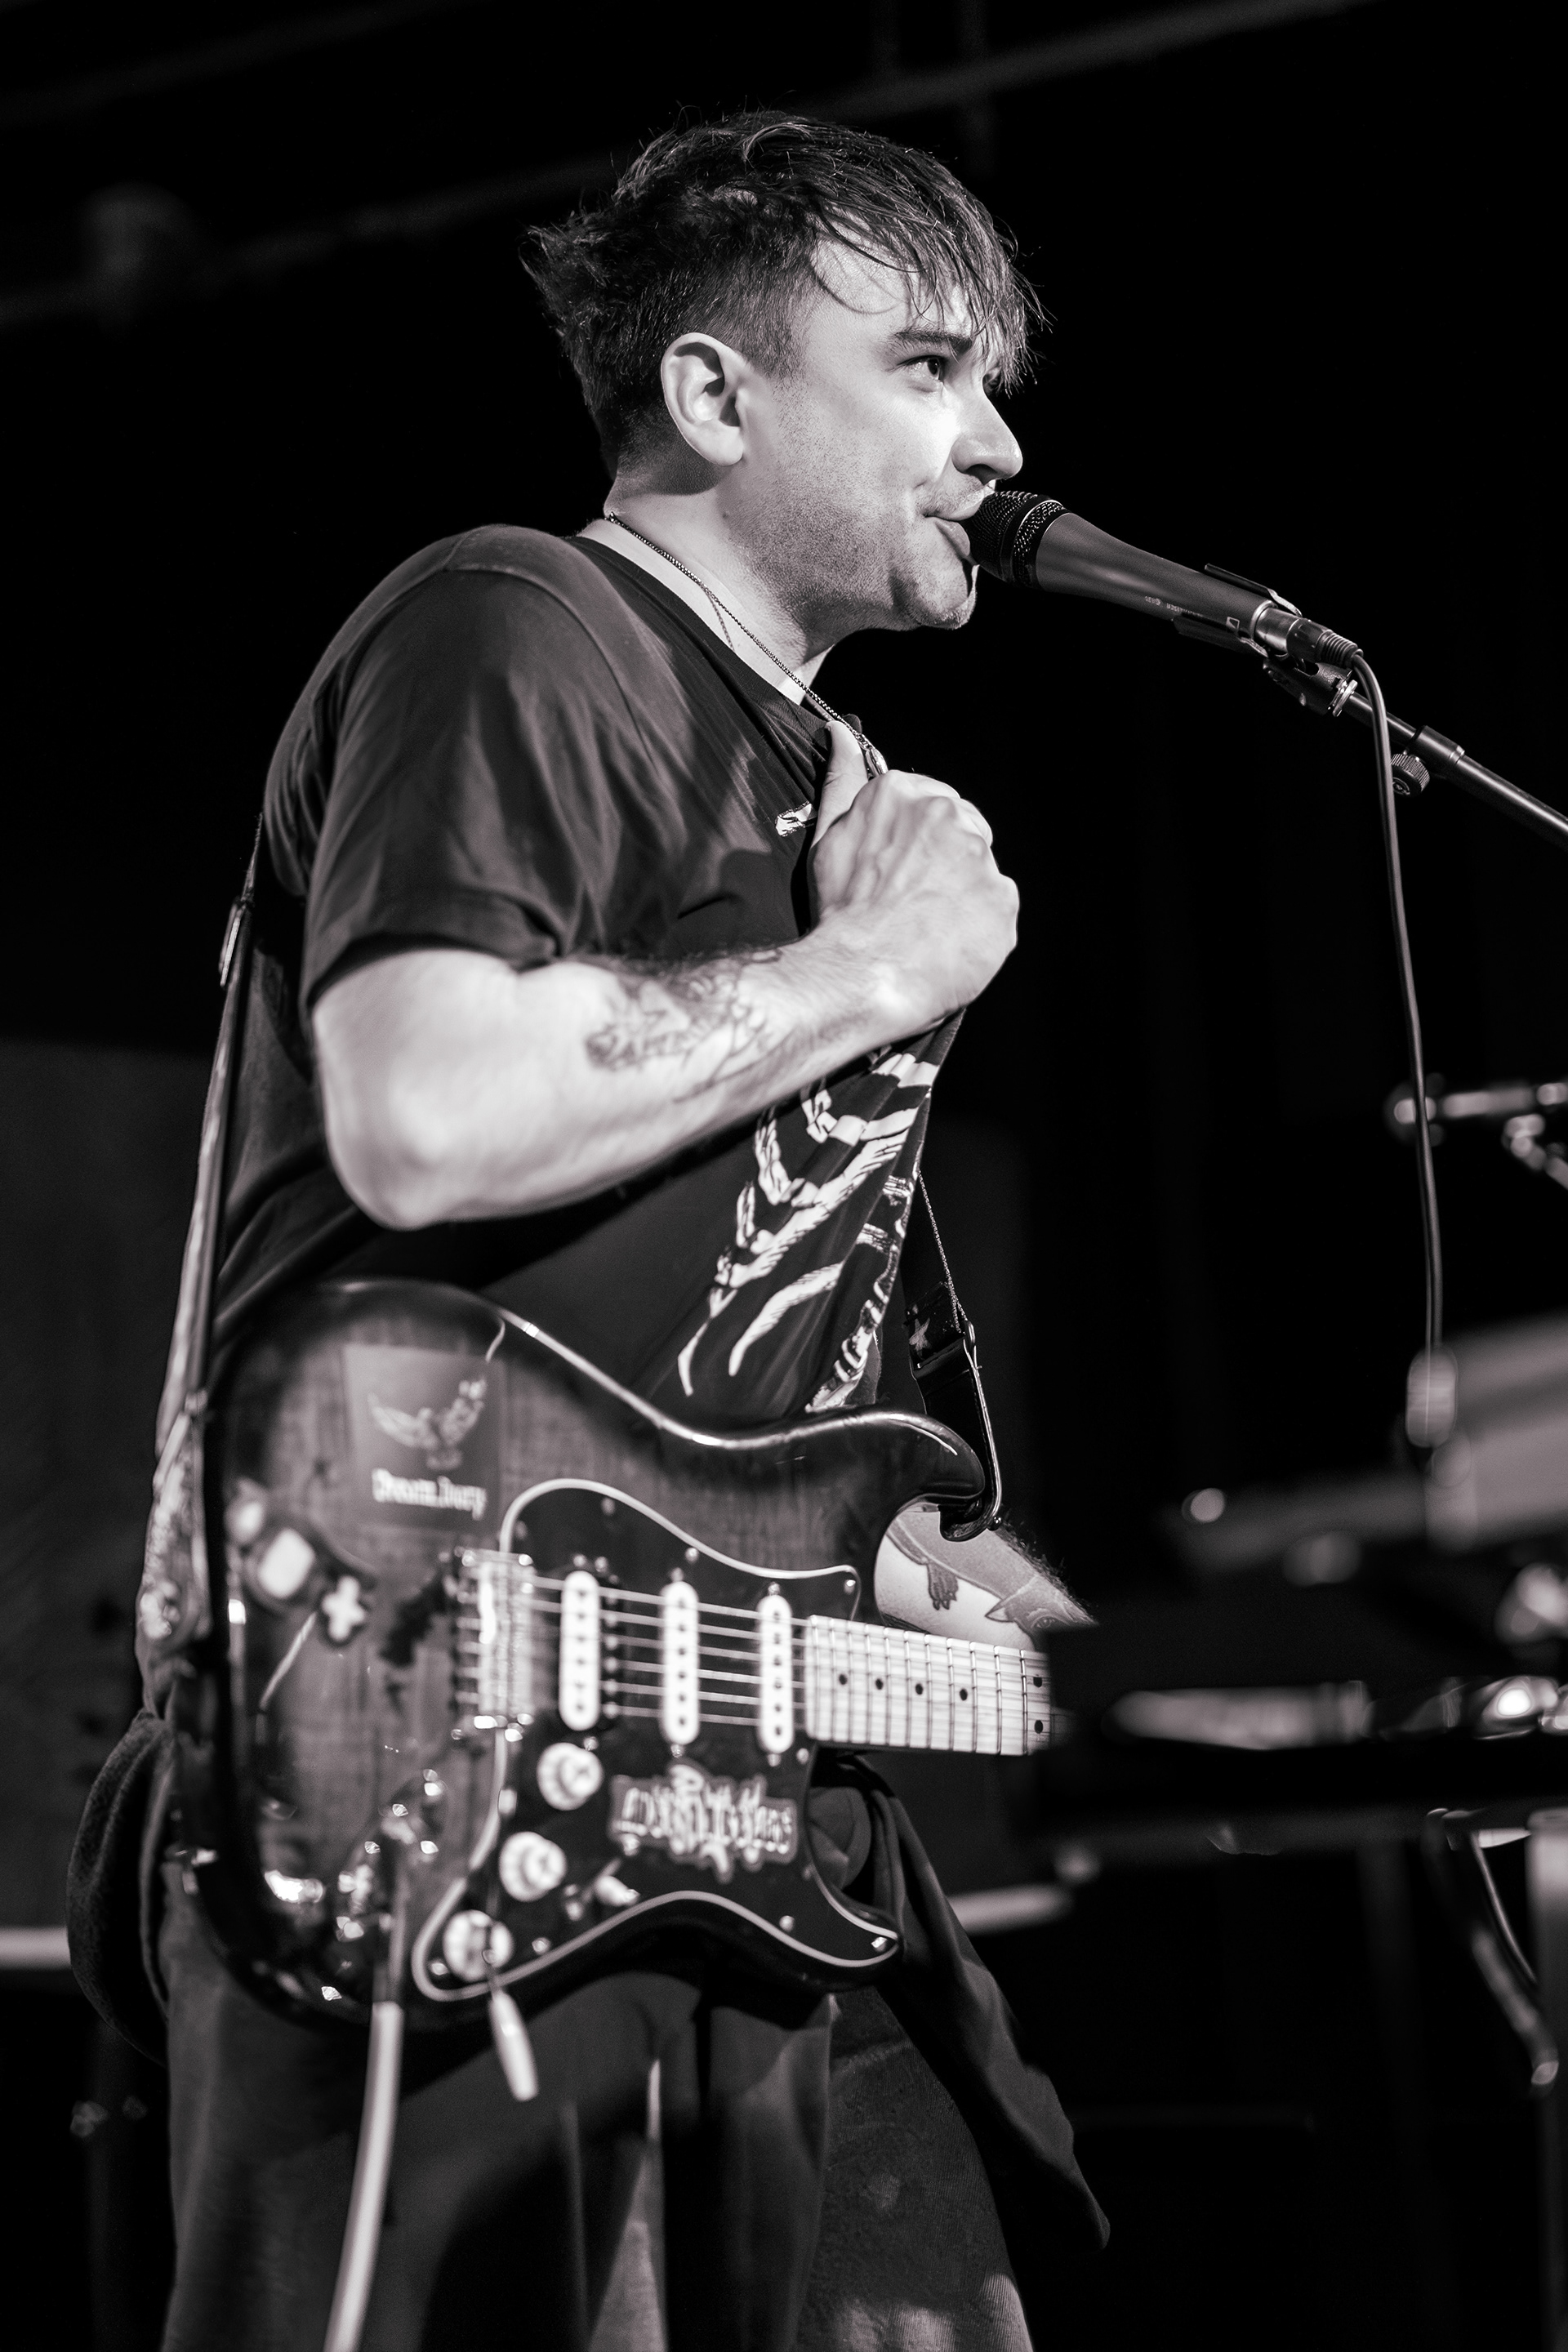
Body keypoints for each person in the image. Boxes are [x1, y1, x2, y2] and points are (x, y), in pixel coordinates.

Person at [69, 110, 1106, 2351]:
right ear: (713, 393)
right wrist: (872, 974)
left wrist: (1032, 1628)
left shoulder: (836, 799)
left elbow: (773, 1378)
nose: (998, 441)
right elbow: (428, 1109)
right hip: (431, 1758)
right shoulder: (519, 620)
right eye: (929, 367)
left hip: (747, 1807)